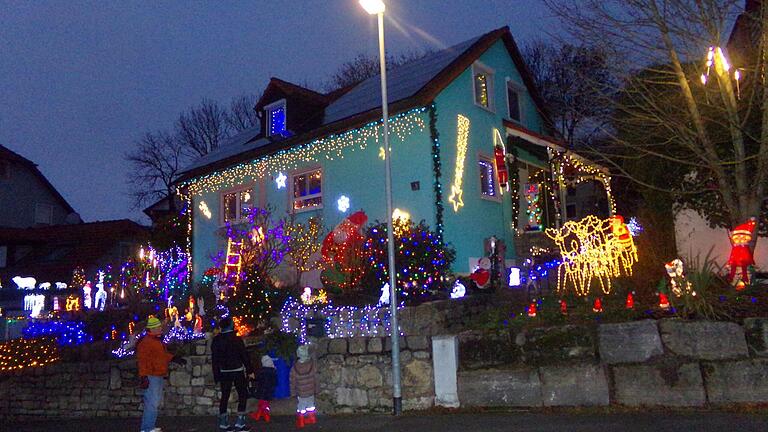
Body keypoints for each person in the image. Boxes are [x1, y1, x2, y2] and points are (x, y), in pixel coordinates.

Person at [137, 316, 186, 432]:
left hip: (157, 374)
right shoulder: (146, 343)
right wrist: (143, 376)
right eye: (158, 327)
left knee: (154, 402)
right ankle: (147, 428)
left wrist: (174, 358)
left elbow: (162, 356)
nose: (161, 329)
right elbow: (142, 360)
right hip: (151, 375)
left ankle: (149, 426)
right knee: (152, 402)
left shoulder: (155, 341)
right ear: (152, 329)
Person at [211, 317, 254, 432]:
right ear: (231, 326)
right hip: (237, 370)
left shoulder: (216, 340)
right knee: (242, 394)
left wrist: (216, 375)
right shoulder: (236, 339)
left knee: (224, 396)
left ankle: (223, 423)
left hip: (224, 371)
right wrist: (250, 370)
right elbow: (244, 356)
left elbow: (215, 359)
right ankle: (240, 422)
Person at [290, 345, 318, 428]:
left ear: (298, 354)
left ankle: (301, 421)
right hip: (310, 390)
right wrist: (317, 389)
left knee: (301, 406)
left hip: (301, 391)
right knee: (311, 405)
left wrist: (293, 392)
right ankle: (312, 418)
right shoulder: (312, 365)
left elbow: (292, 382)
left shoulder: (294, 368)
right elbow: (316, 378)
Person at [249, 355, 278, 423]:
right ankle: (259, 414)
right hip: (269, 391)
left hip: (262, 390)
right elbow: (275, 382)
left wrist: (253, 377)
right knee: (264, 403)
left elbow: (258, 379)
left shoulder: (262, 371)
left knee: (263, 403)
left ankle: (264, 415)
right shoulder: (273, 371)